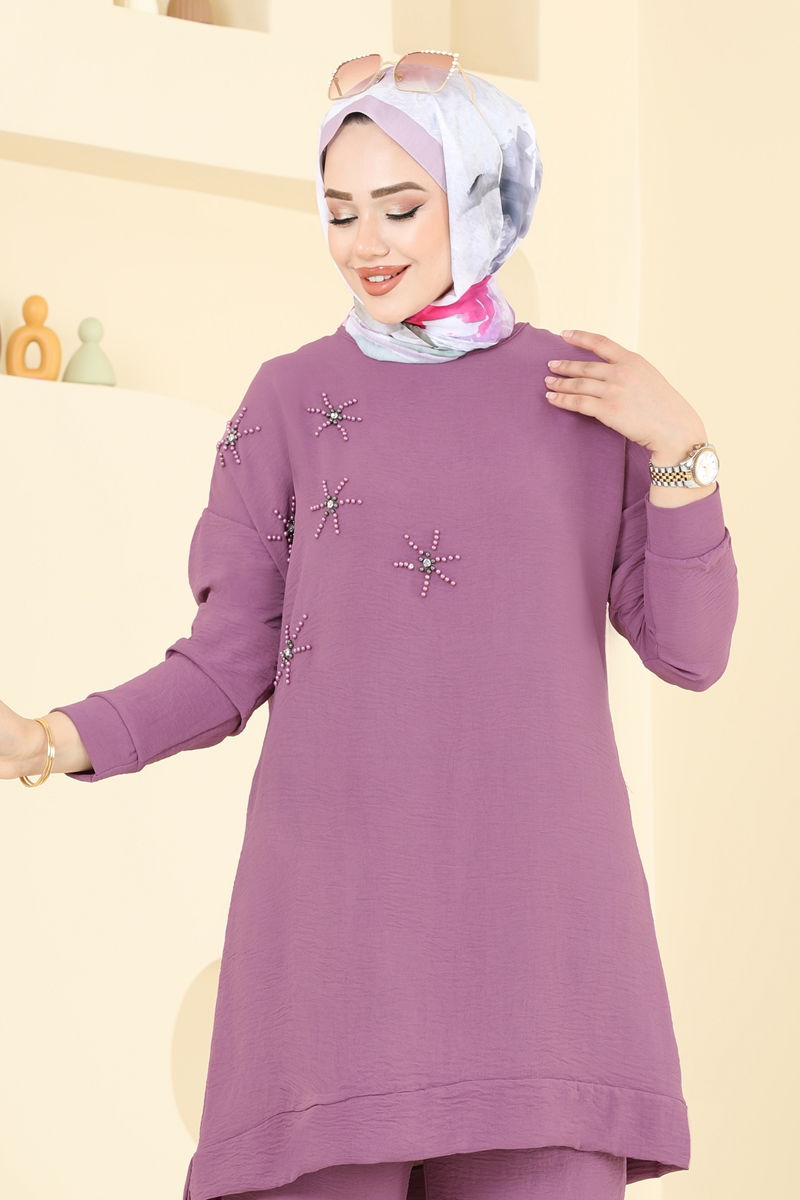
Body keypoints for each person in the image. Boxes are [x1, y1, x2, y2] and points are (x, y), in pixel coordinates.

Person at [1, 52, 738, 1200]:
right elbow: (225, 664)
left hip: (544, 952)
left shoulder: (590, 392)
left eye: (400, 206)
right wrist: (52, 738)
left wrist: (682, 449)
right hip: (333, 951)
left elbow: (689, 652)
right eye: (339, 210)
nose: (365, 244)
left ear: (482, 193)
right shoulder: (290, 401)